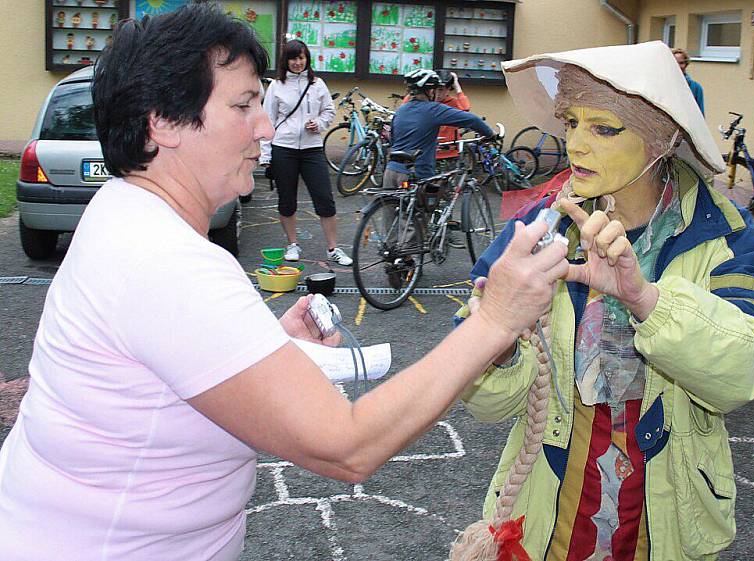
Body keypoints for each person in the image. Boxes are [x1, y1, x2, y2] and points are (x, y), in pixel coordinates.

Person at [0, 5, 570, 560]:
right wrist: (495, 319)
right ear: (164, 123)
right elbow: (348, 446)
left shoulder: (124, 212)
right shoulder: (165, 261)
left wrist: (266, 344)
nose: (266, 125)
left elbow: (166, 367)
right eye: (245, 105)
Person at [453, 41, 754, 560]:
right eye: (572, 122)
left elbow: (745, 373)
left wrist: (645, 299)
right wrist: (496, 343)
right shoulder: (536, 231)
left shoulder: (724, 237)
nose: (576, 146)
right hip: (553, 504)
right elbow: (492, 404)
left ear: (661, 138)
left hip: (666, 511)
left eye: (604, 128)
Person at [261, 39, 350, 265]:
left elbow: (329, 111)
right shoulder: (276, 86)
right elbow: (267, 121)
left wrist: (319, 124)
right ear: (286, 61)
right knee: (287, 201)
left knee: (325, 200)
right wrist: (265, 155)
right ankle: (292, 244)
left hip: (312, 149)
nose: (298, 62)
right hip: (284, 148)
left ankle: (333, 248)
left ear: (307, 59)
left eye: (301, 58)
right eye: (293, 58)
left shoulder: (317, 84)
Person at [384, 68, 495, 189]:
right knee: (431, 204)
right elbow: (472, 120)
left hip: (391, 171)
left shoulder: (401, 110)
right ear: (431, 91)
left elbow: (393, 139)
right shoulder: (434, 109)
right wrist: (491, 134)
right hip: (416, 173)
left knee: (393, 206)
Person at [402, 70, 471, 160]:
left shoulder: (453, 103)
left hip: (448, 152)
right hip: (426, 151)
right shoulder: (424, 101)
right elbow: (404, 106)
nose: (437, 93)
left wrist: (456, 85)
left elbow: (465, 109)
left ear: (449, 89)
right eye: (435, 89)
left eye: (441, 90)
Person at [672, 47, 705, 115]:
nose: (678, 66)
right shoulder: (663, 85)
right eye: (675, 62)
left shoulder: (696, 88)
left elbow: (700, 115)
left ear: (686, 64)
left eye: (681, 63)